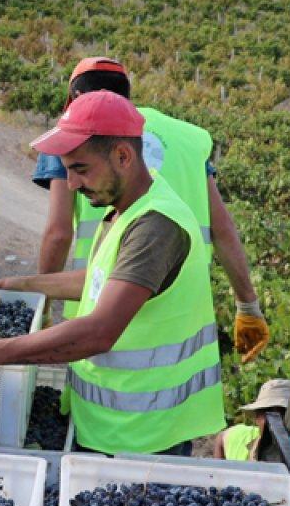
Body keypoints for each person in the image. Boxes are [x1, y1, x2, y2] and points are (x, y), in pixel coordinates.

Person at [0, 90, 224, 456]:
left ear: (123, 156)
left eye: (80, 169)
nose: (71, 184)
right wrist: (23, 285)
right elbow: (105, 281)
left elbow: (99, 332)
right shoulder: (127, 207)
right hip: (113, 426)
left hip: (141, 437)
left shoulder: (155, 226)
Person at [34, 57, 268, 361]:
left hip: (99, 311)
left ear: (75, 101)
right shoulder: (187, 138)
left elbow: (58, 233)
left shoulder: (74, 138)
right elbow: (222, 228)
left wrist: (42, 305)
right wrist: (247, 305)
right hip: (178, 314)